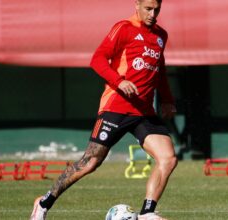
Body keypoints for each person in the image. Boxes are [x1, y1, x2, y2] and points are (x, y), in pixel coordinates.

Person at [30, 0, 178, 219]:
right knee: (90, 162)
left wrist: (166, 99)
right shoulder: (123, 28)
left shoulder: (160, 35)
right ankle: (44, 202)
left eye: (157, 9)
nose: (152, 13)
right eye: (148, 8)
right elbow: (97, 59)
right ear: (136, 4)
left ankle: (147, 213)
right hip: (116, 107)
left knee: (168, 158)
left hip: (144, 111)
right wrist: (119, 81)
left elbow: (160, 70)